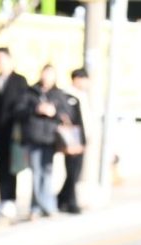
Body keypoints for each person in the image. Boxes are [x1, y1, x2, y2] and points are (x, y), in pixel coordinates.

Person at [0, 47, 30, 220]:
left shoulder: (19, 80)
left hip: (13, 132)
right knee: (0, 167)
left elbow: (22, 105)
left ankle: (10, 200)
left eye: (1, 59)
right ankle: (3, 199)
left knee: (11, 167)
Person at [22, 64, 69, 218]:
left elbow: (67, 113)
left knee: (47, 172)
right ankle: (36, 207)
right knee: (36, 172)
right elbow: (19, 110)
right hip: (34, 137)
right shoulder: (31, 92)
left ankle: (48, 205)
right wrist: (36, 109)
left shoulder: (58, 94)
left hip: (50, 138)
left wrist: (54, 112)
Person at [58, 68, 88, 214]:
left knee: (76, 172)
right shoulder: (66, 96)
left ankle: (63, 198)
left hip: (82, 139)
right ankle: (70, 202)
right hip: (72, 139)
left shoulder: (84, 96)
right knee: (72, 171)